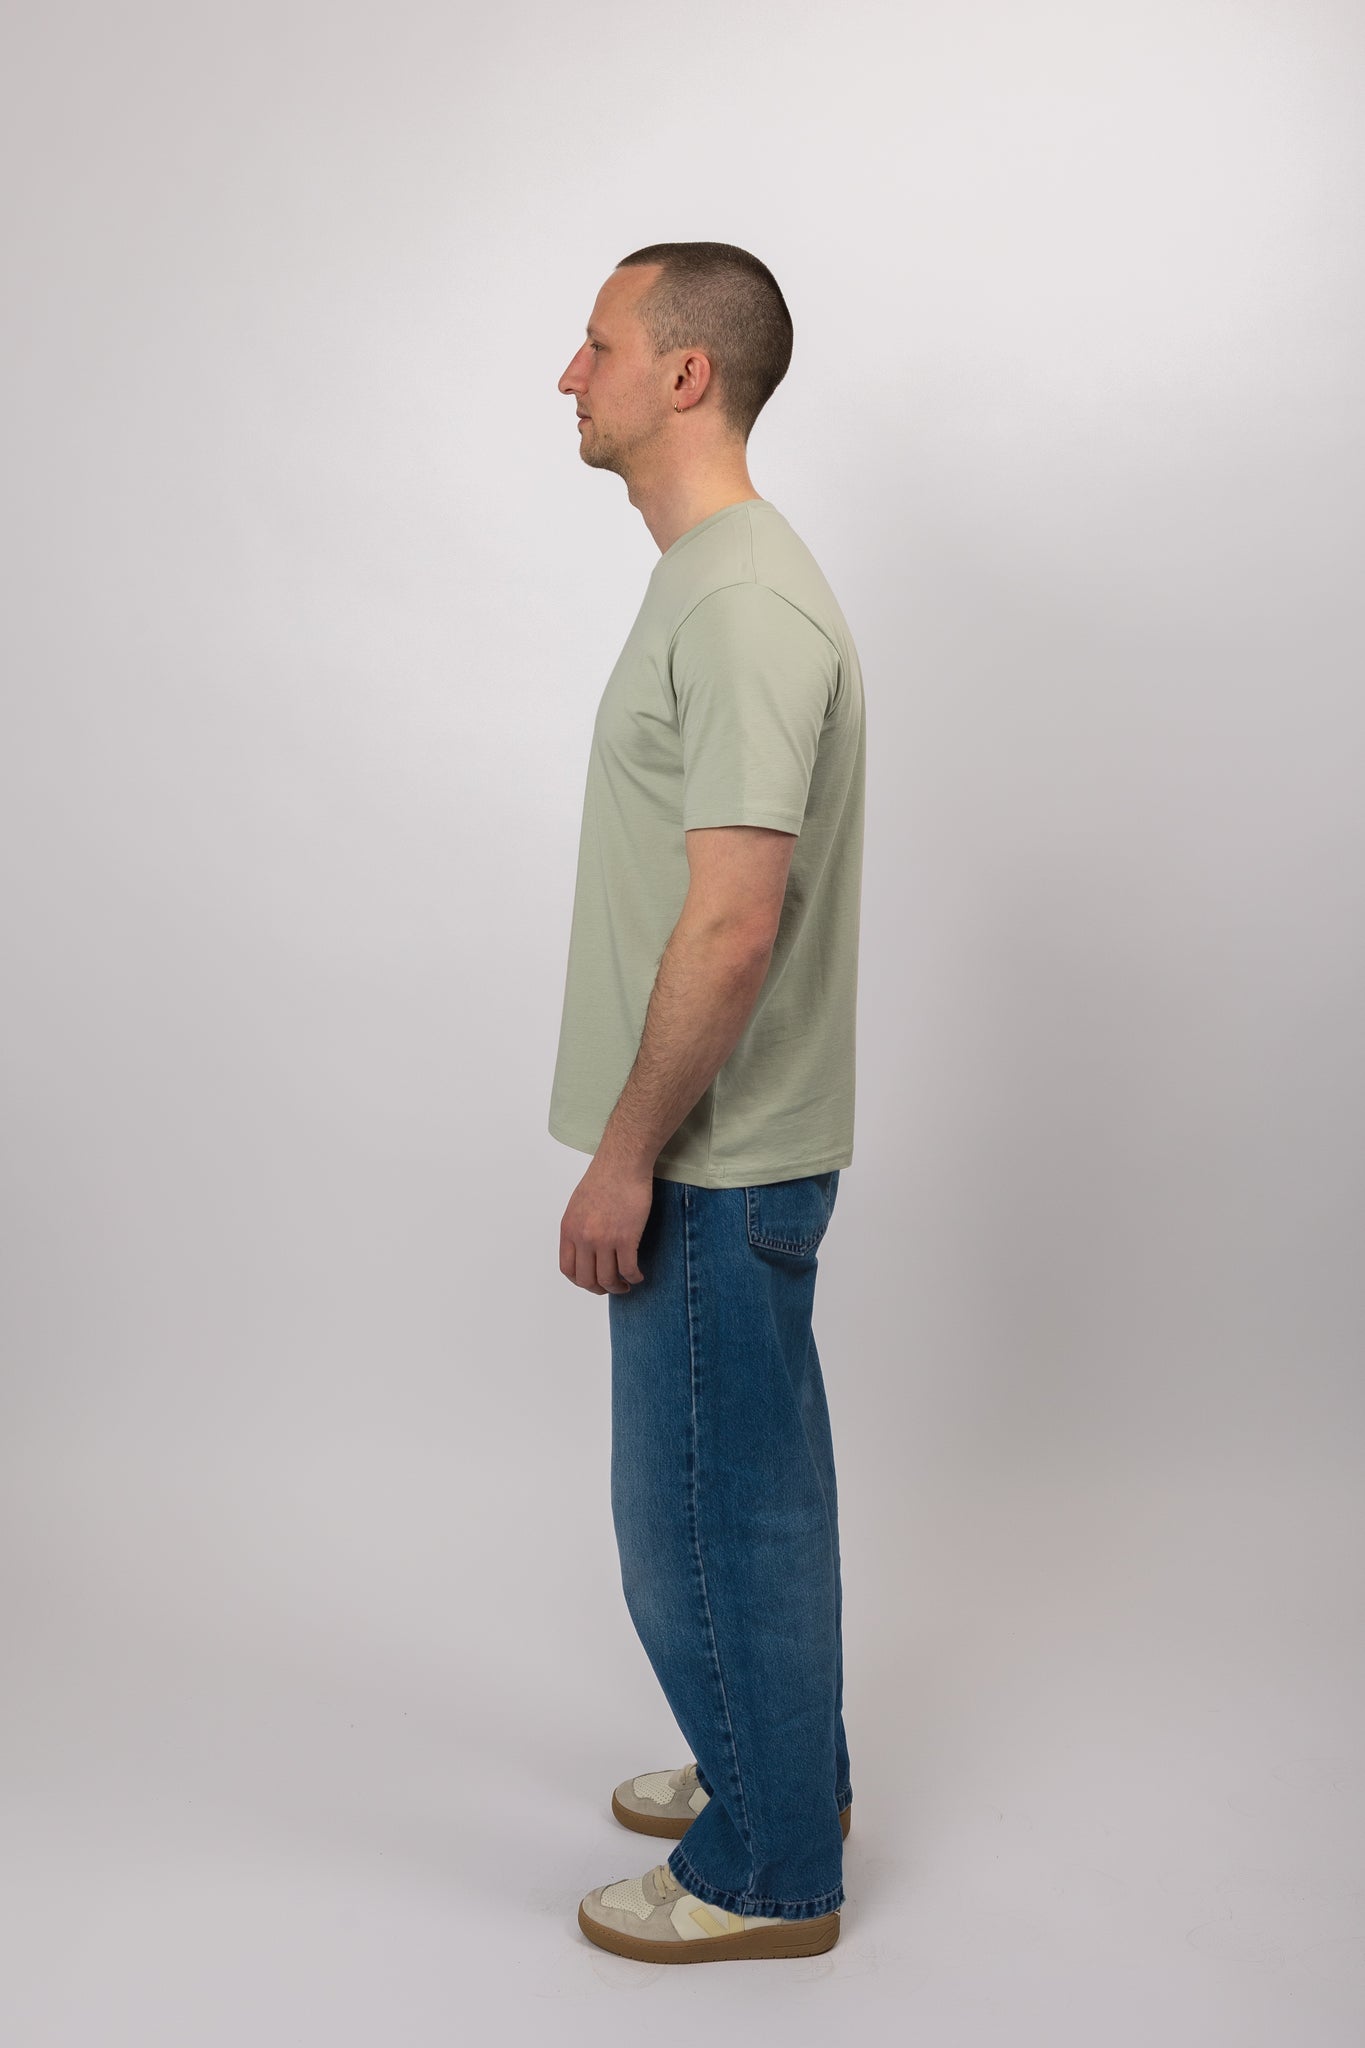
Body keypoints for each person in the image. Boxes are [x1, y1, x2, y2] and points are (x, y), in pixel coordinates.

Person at [549, 241, 866, 1964]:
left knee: (699, 1522)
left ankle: (766, 1872)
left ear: (685, 375)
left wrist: (625, 1156)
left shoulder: (741, 603)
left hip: (710, 1155)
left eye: (596, 343)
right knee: (750, 1495)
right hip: (722, 1148)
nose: (566, 373)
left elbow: (734, 921)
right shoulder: (713, 580)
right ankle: (778, 1767)